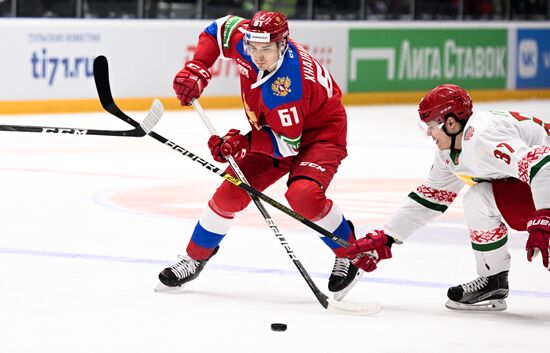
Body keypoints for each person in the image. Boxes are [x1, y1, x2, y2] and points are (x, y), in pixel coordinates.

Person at [158, 11, 361, 299]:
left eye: (266, 49)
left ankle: (350, 251)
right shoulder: (249, 41)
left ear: (283, 44)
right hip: (276, 129)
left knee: (302, 195)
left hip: (319, 134)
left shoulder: (287, 86)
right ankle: (195, 257)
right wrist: (198, 66)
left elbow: (288, 146)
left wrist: (242, 144)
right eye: (253, 48)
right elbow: (219, 29)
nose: (258, 56)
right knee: (230, 194)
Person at [345, 84, 550, 311]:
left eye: (431, 126)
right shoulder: (451, 149)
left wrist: (544, 217)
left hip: (545, 179)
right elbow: (431, 197)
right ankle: (494, 280)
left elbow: (544, 164)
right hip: (538, 183)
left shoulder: (483, 138)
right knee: (477, 199)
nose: (429, 133)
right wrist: (388, 237)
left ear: (451, 123)